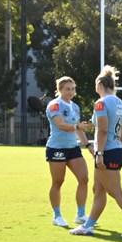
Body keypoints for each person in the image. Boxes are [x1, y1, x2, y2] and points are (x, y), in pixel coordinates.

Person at [71, 66, 122, 237]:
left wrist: (99, 154)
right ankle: (88, 226)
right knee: (99, 189)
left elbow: (103, 131)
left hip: (107, 152)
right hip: (117, 149)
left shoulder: (101, 103)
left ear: (99, 84)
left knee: (115, 190)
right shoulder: (121, 104)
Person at [44, 75, 91, 228]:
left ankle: (81, 214)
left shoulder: (75, 107)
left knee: (84, 178)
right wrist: (78, 127)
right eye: (67, 89)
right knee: (58, 182)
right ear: (60, 90)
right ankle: (57, 216)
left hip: (73, 148)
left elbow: (79, 129)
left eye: (72, 89)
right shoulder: (54, 105)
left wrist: (88, 145)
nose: (70, 92)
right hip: (57, 148)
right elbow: (61, 125)